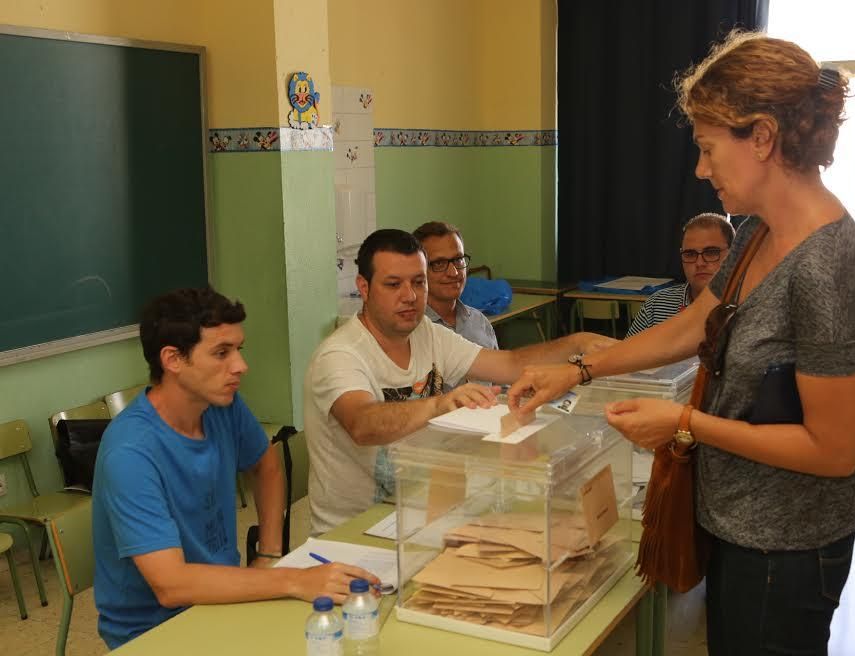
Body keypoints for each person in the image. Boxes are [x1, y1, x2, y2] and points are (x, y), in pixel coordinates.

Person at [507, 31, 855, 655]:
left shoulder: (828, 268)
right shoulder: (758, 234)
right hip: (740, 525)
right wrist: (579, 370)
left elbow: (836, 449)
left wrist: (686, 423)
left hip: (787, 548)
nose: (700, 169)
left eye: (709, 148)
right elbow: (693, 326)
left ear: (762, 137)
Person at [92, 287, 379, 649]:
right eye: (221, 353)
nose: (241, 366)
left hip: (224, 596)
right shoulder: (131, 452)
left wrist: (270, 554)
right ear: (173, 359)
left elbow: (267, 464)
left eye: (238, 350)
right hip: (153, 631)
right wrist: (293, 580)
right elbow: (172, 585)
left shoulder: (221, 405)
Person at [304, 229, 615, 534]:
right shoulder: (340, 355)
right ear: (364, 287)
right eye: (393, 284)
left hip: (425, 513)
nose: (410, 296)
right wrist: (441, 403)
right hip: (354, 533)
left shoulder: (427, 333)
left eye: (419, 282)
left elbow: (509, 364)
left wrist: (576, 343)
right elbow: (363, 423)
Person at [626, 213, 735, 336]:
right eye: (690, 254)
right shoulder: (656, 306)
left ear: (733, 254)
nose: (699, 263)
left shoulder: (750, 308)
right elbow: (625, 353)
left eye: (711, 252)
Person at [413, 220, 498, 350]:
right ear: (418, 270)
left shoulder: (479, 322)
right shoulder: (410, 330)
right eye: (439, 263)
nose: (454, 272)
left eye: (458, 259)